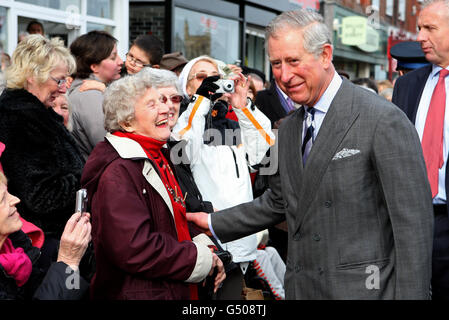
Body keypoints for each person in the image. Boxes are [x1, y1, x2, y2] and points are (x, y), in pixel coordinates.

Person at [187, 9, 434, 300]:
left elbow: (412, 224)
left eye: (293, 61)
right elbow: (279, 201)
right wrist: (213, 222)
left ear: (325, 55)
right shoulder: (290, 128)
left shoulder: (380, 119)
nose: (284, 75)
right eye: (276, 63)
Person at [80, 67, 225, 300]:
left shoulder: (156, 155)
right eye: (153, 104)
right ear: (127, 122)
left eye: (165, 102)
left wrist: (206, 247)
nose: (167, 108)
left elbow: (174, 219)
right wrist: (200, 259)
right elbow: (134, 248)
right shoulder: (118, 171)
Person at [174, 57, 285, 299]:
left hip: (243, 242)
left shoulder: (234, 121)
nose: (211, 83)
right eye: (202, 78)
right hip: (208, 246)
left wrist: (243, 105)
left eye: (215, 76)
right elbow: (182, 152)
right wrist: (201, 102)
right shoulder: (182, 122)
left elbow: (262, 153)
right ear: (187, 87)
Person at [0, 35, 84, 269]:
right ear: (31, 75)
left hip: (56, 242)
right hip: (47, 247)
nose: (64, 88)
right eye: (58, 80)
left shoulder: (36, 113)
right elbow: (41, 197)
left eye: (67, 79)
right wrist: (88, 177)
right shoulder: (21, 118)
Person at [392, 0, 449, 300]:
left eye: (430, 28)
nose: (420, 37)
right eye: (419, 28)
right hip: (412, 220)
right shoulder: (407, 85)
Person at [0, 171, 91, 300]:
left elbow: (69, 291)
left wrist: (73, 260)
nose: (16, 199)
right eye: (3, 199)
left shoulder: (16, 245)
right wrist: (68, 261)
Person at [68, 30, 123, 163]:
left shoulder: (94, 90)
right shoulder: (89, 95)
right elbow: (110, 146)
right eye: (113, 57)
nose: (121, 61)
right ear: (94, 66)